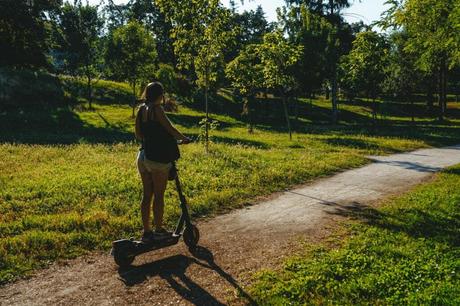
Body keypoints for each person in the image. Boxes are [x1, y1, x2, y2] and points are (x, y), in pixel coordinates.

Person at [135, 82, 191, 243]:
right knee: (159, 195)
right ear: (160, 95)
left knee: (147, 195)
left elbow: (139, 135)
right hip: (157, 159)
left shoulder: (141, 110)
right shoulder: (156, 109)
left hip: (143, 156)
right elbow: (170, 128)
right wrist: (184, 138)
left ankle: (147, 232)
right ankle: (159, 230)